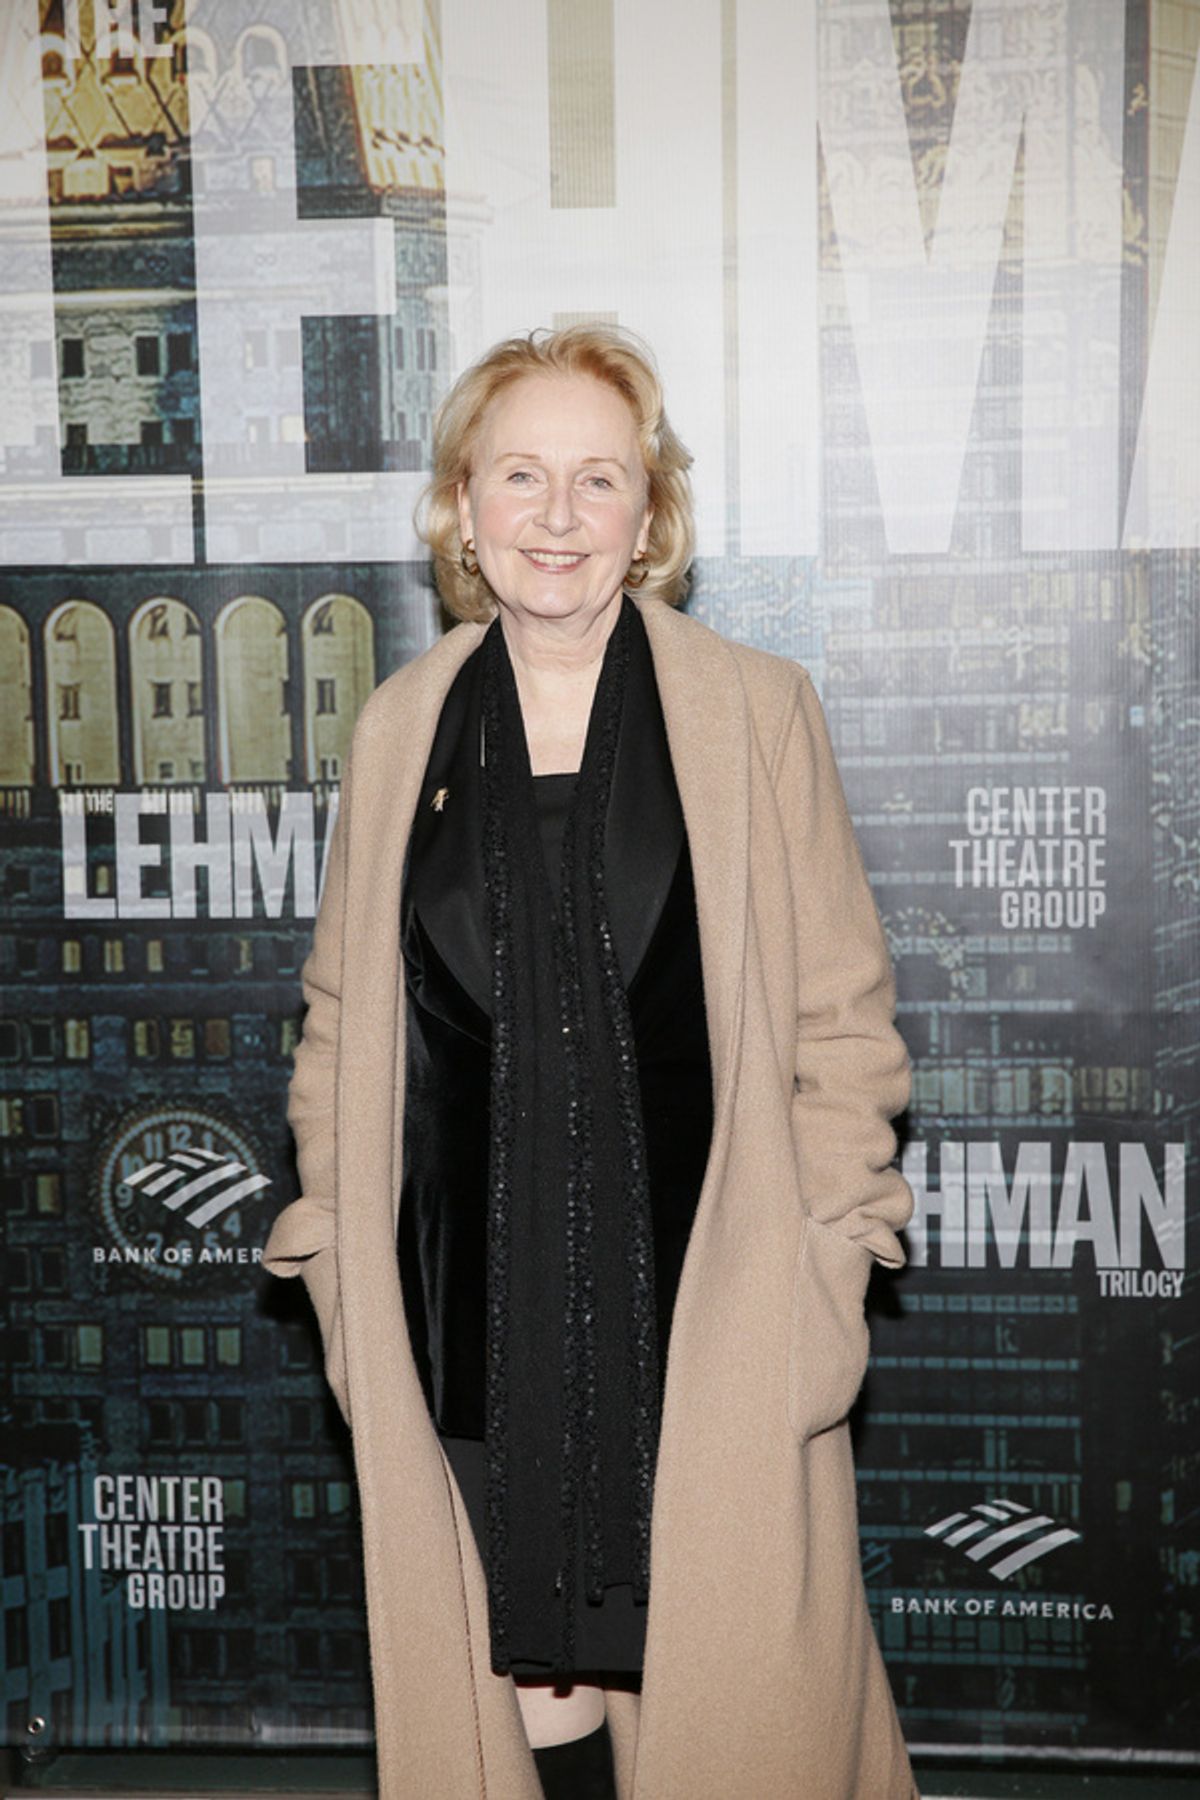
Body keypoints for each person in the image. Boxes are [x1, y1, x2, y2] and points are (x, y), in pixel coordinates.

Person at [264, 325, 918, 1800]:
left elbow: (843, 1021)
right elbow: (343, 1018)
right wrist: (345, 1250)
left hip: (707, 1296)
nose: (556, 516)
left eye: (599, 479)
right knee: (525, 1662)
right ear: (463, 505)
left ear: (650, 513)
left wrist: (825, 1255)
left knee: (725, 1678)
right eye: (520, 476)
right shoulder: (401, 729)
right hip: (469, 1299)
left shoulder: (754, 712)